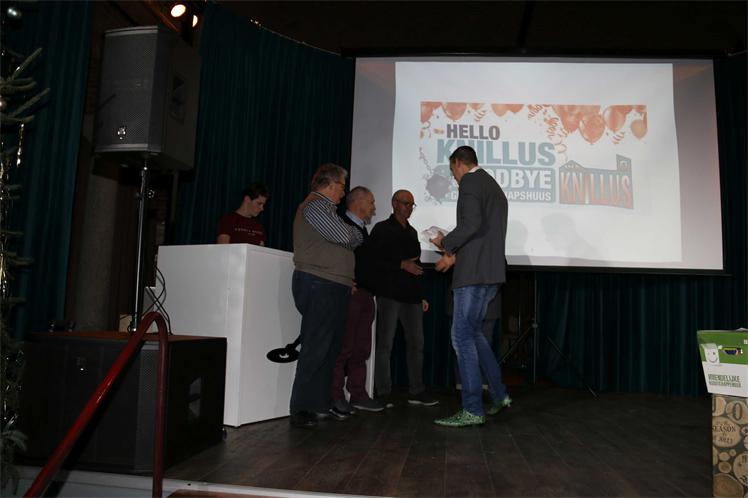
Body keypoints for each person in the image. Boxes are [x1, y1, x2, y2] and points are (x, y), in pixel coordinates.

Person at [431, 145, 512, 427]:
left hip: (474, 275)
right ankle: (499, 394)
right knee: (474, 334)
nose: (454, 178)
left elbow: (471, 224)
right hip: (490, 273)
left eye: (452, 171)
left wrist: (445, 243)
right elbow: (482, 232)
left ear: (458, 163)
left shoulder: (470, 182)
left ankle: (472, 409)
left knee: (461, 337)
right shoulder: (492, 186)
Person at [290, 164, 363, 428]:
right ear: (330, 184)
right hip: (319, 283)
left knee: (330, 350)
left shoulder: (327, 210)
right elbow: (346, 235)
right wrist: (353, 234)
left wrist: (352, 235)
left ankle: (319, 404)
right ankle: (301, 407)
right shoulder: (315, 206)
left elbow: (351, 236)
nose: (343, 193)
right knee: (316, 347)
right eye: (342, 186)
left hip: (332, 285)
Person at [369, 190, 438, 408]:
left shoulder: (413, 232)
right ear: (394, 204)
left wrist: (421, 294)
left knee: (417, 344)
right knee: (385, 344)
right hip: (389, 293)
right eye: (405, 203)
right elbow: (373, 260)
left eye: (412, 205)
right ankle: (383, 391)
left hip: (412, 296)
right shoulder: (381, 229)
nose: (409, 208)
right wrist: (401, 264)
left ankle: (417, 390)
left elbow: (416, 265)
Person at [330, 186, 386, 415]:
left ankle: (358, 394)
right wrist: (345, 282)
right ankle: (335, 396)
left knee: (361, 349)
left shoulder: (363, 229)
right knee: (343, 347)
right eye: (371, 202)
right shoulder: (340, 224)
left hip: (366, 295)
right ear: (359, 201)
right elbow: (333, 256)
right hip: (351, 295)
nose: (374, 207)